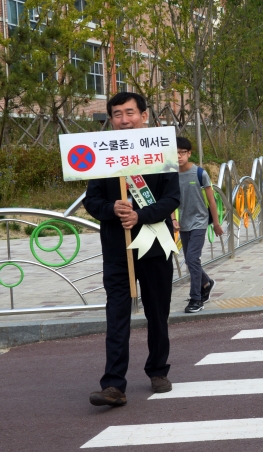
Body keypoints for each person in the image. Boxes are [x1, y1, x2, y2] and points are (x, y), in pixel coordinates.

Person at [84, 92, 180, 407]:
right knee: (117, 315)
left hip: (154, 245)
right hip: (117, 250)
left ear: (144, 115)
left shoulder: (161, 152)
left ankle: (157, 369)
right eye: (117, 114)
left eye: (130, 113)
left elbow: (172, 198)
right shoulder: (102, 156)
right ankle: (113, 384)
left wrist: (141, 214)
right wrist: (114, 208)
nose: (124, 120)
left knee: (157, 312)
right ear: (110, 119)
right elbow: (92, 201)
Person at [171, 137, 223, 313]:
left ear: (189, 153)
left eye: (182, 152)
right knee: (191, 260)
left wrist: (216, 223)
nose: (178, 156)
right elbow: (170, 200)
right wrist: (173, 219)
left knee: (192, 259)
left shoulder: (200, 174)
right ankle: (207, 283)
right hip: (183, 223)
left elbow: (211, 201)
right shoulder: (172, 175)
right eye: (175, 153)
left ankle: (196, 299)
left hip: (200, 222)